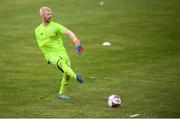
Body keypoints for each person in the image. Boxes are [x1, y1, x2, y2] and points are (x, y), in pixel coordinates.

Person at [34, 7, 85, 100]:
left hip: (61, 51)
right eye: (48, 14)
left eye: (51, 14)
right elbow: (41, 45)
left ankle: (61, 94)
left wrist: (76, 42)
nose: (50, 16)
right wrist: (47, 56)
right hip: (50, 55)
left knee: (67, 72)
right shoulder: (37, 30)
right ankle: (76, 76)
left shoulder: (55, 26)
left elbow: (68, 32)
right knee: (61, 63)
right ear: (42, 15)